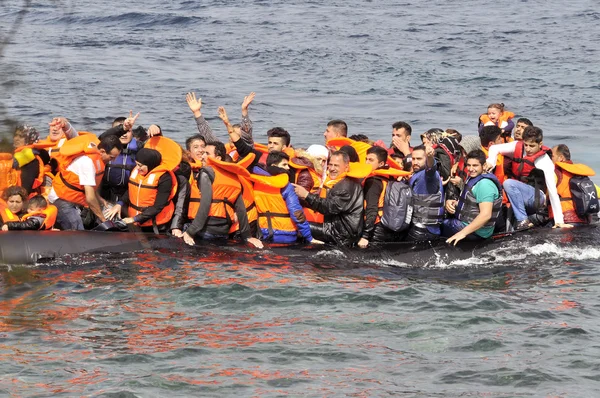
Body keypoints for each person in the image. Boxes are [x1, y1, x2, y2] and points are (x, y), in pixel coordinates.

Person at [181, 141, 263, 248]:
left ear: (218, 158)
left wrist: (190, 232)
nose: (203, 156)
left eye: (207, 153)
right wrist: (247, 236)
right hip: (223, 231)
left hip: (204, 229)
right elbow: (241, 209)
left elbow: (205, 204)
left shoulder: (206, 173)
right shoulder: (233, 176)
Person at [484, 126, 569, 230]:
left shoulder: (544, 161)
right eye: (526, 145)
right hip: (521, 194)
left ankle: (523, 220)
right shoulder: (517, 146)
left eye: (532, 146)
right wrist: (491, 161)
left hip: (537, 198)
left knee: (508, 183)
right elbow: (494, 148)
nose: (528, 149)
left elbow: (552, 192)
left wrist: (559, 221)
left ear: (540, 144)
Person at [48, 135, 122, 230]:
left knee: (102, 211)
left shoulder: (97, 160)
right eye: (111, 157)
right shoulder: (88, 163)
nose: (113, 161)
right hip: (61, 199)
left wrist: (100, 200)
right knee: (79, 231)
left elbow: (89, 187)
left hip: (75, 199)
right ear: (102, 151)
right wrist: (103, 220)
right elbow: (90, 198)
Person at [293, 151, 366, 247]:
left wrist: (306, 195)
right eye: (330, 165)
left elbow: (329, 207)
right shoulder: (342, 181)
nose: (331, 168)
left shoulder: (345, 187)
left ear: (346, 167)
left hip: (341, 234)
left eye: (336, 166)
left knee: (298, 227)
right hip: (339, 228)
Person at [252, 151, 322, 244]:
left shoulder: (256, 183)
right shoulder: (286, 186)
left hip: (263, 233)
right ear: (274, 165)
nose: (288, 168)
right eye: (284, 164)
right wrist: (309, 237)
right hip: (287, 234)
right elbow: (296, 212)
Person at [106, 147, 178, 233]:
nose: (137, 168)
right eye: (136, 164)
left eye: (140, 165)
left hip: (156, 224)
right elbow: (132, 190)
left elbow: (158, 207)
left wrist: (135, 219)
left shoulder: (164, 178)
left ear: (150, 164)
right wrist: (119, 204)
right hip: (134, 221)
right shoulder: (137, 171)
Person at [444, 150, 503, 245]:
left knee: (443, 224)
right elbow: (472, 202)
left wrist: (462, 233)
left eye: (475, 165)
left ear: (483, 166)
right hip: (468, 224)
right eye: (468, 165)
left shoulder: (485, 185)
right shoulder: (473, 177)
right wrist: (454, 203)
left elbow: (486, 215)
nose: (471, 169)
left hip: (479, 232)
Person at [358, 146, 410, 248]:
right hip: (388, 225)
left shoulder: (373, 181)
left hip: (376, 228)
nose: (367, 163)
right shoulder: (390, 177)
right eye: (366, 159)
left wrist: (365, 236)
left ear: (381, 164)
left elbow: (371, 208)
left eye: (371, 160)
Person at [98, 112, 141, 203]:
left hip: (127, 193)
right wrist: (123, 128)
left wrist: (156, 130)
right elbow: (102, 137)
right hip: (105, 193)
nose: (124, 134)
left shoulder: (139, 148)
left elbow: (154, 152)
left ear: (132, 132)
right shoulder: (102, 146)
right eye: (121, 132)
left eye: (128, 131)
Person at [550, 144, 597, 225]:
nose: (550, 159)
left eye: (552, 156)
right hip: (584, 220)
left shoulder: (555, 173)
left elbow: (544, 196)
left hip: (565, 219)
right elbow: (597, 193)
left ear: (560, 158)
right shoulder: (580, 173)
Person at [406, 144, 444, 241]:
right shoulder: (417, 174)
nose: (415, 162)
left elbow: (430, 168)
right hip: (426, 228)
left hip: (422, 230)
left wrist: (430, 157)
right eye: (413, 159)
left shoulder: (429, 176)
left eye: (419, 159)